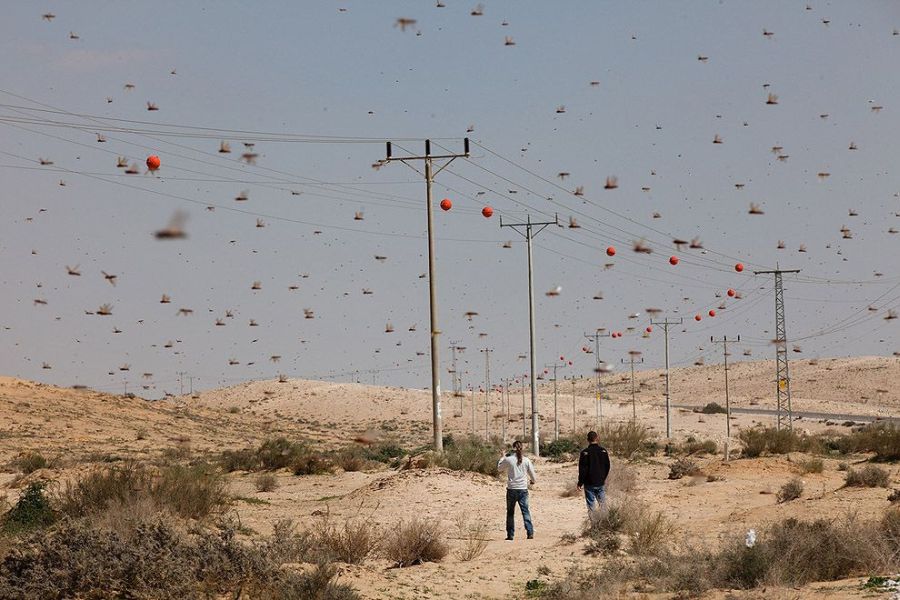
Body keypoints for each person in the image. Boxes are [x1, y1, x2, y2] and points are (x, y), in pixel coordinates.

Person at [497, 440, 536, 540]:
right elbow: (532, 475)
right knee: (525, 511)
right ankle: (530, 532)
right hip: (523, 489)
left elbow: (499, 468)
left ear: (513, 448)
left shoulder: (509, 459)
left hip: (511, 489)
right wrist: (532, 481)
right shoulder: (526, 460)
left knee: (510, 513)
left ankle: (510, 535)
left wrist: (502, 457)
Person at [577, 430, 610, 512]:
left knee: (591, 506)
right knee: (603, 505)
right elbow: (607, 466)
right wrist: (603, 478)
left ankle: (594, 523)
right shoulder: (603, 451)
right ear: (597, 438)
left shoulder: (585, 452)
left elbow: (582, 470)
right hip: (600, 482)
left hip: (589, 483)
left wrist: (580, 482)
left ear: (588, 440)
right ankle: (605, 522)